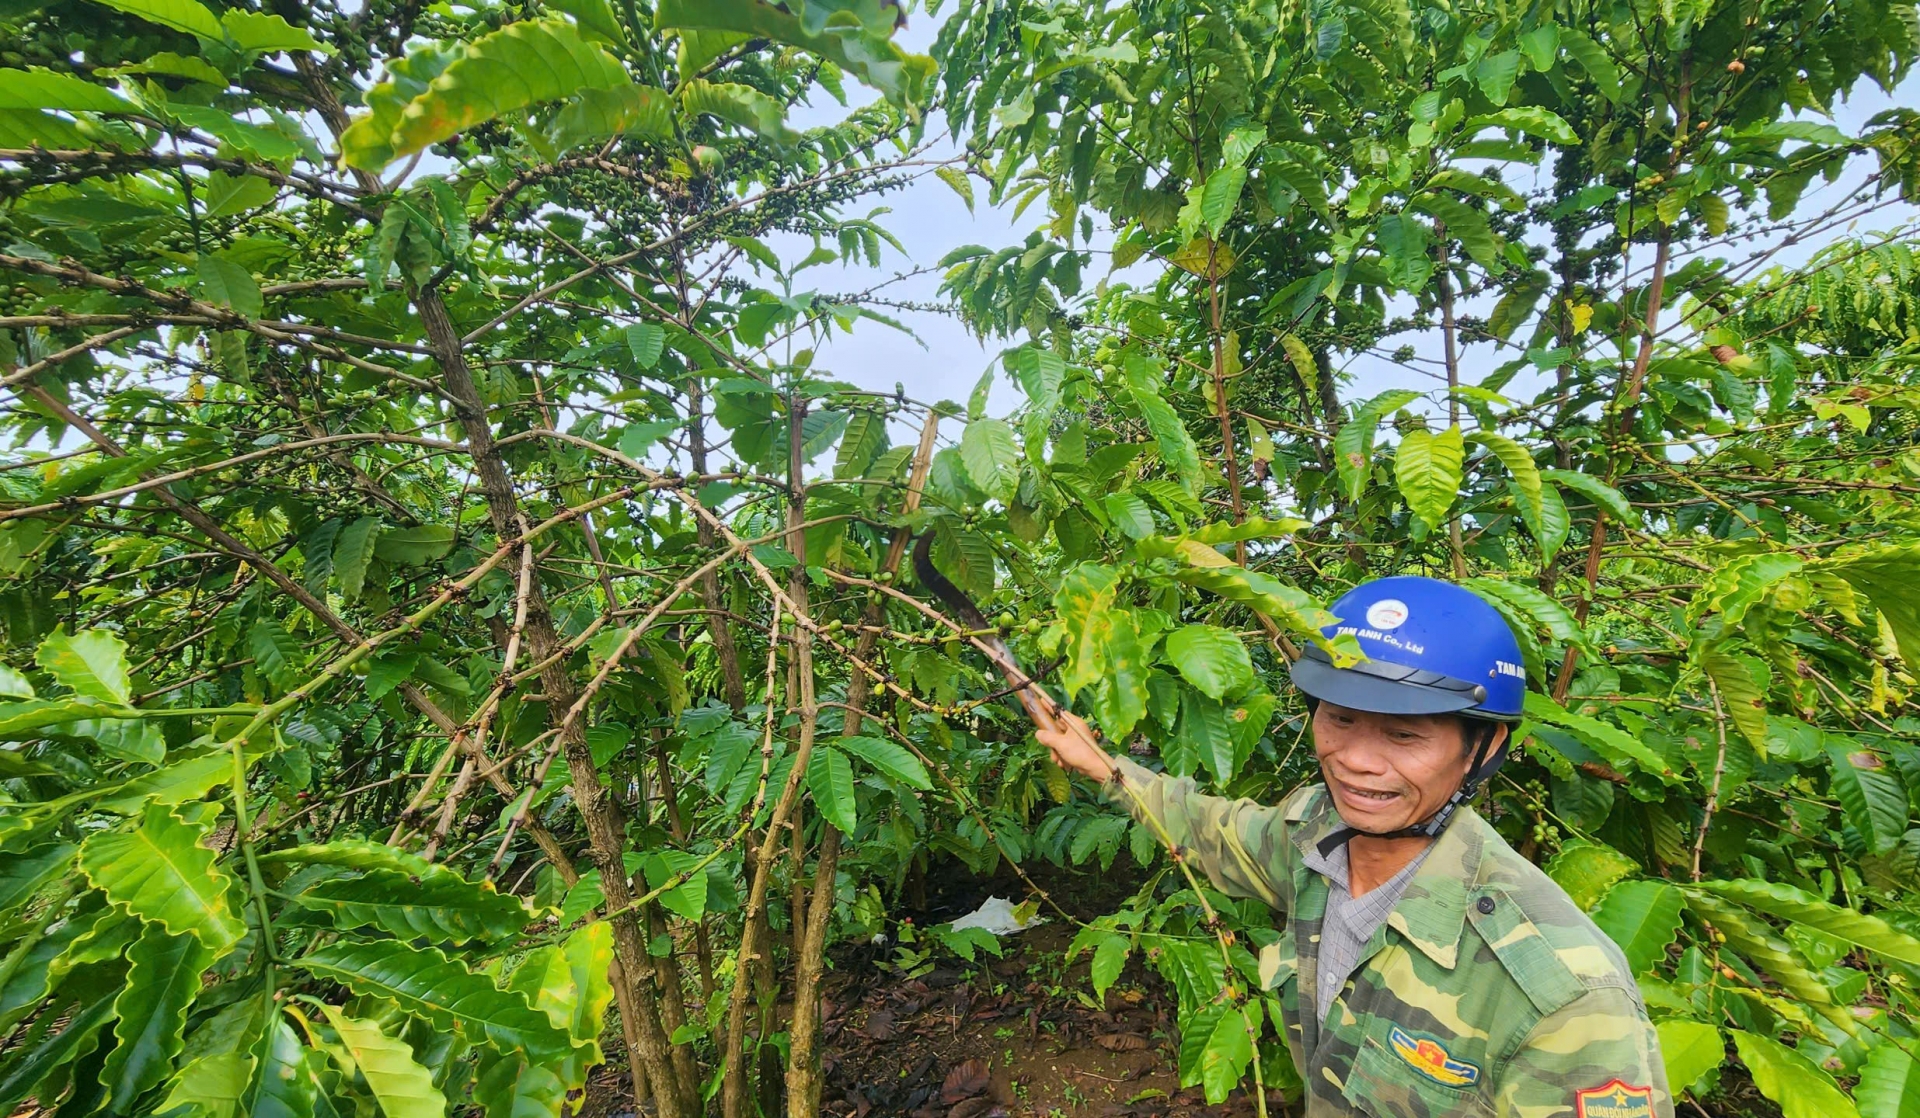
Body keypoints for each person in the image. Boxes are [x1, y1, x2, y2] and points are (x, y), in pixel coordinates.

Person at [1037, 576, 1672, 1118]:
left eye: (1403, 734)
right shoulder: (1316, 835)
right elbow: (1215, 831)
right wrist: (1103, 765)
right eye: (1339, 719)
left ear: (1486, 748)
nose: (1356, 762)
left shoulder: (1566, 996)